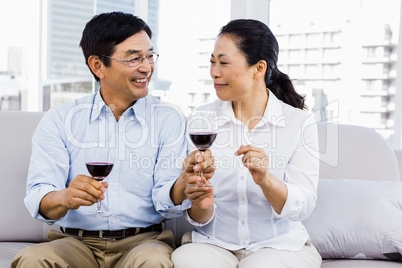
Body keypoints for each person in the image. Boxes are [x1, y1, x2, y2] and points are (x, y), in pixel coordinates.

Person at [12, 11, 213, 268]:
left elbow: (167, 203)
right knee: (32, 259)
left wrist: (183, 181)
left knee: (153, 261)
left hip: (143, 242)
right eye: (134, 58)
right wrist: (65, 197)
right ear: (97, 65)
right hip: (75, 243)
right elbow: (39, 195)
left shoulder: (168, 119)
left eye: (150, 56)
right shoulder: (61, 119)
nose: (146, 67)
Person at [172, 19, 322, 268]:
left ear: (258, 68)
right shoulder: (201, 120)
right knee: (188, 261)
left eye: (224, 62)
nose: (214, 72)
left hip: (279, 246)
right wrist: (200, 203)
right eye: (212, 62)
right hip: (214, 243)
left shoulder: (299, 123)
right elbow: (198, 215)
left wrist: (266, 179)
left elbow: (302, 206)